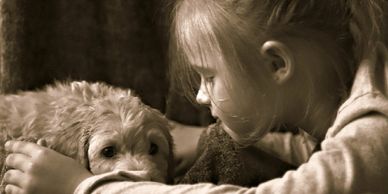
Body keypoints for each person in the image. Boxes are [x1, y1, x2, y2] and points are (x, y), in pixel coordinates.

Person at [3, 0, 388, 193]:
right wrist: (205, 138)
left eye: (209, 76)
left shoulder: (378, 129)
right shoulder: (352, 101)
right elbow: (323, 162)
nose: (202, 97)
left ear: (275, 65)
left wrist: (84, 186)